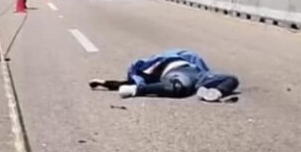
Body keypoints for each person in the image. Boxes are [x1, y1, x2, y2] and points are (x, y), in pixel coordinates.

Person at [89, 49, 239, 102]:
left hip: (197, 75)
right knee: (180, 87)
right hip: (178, 75)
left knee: (231, 79)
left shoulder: (171, 57)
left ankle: (214, 92)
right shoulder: (152, 72)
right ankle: (136, 92)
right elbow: (128, 82)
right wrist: (105, 83)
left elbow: (195, 59)